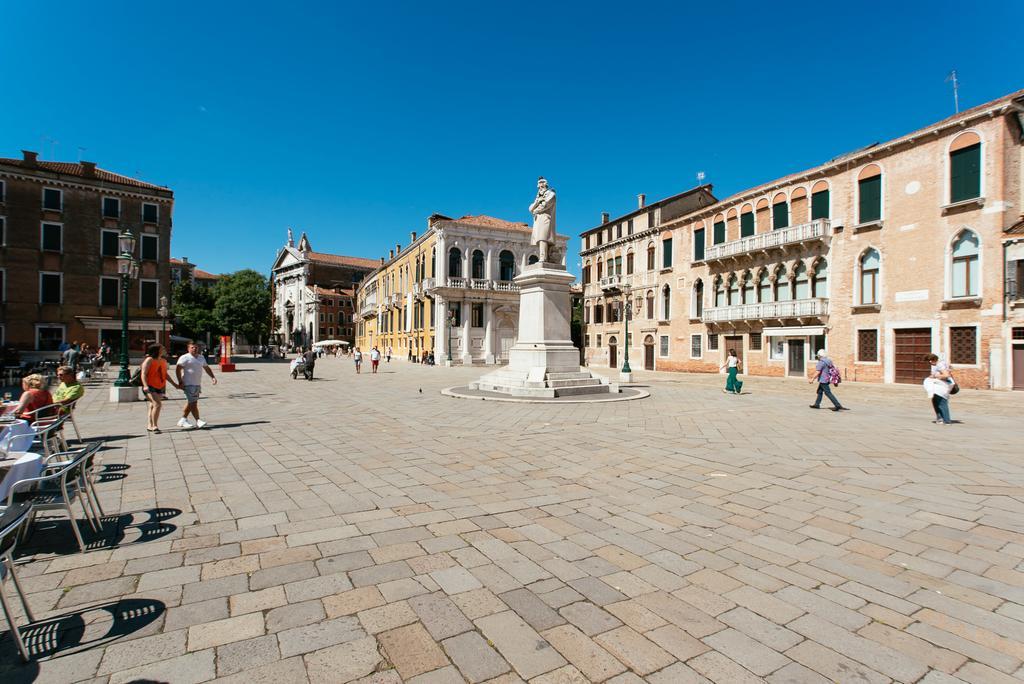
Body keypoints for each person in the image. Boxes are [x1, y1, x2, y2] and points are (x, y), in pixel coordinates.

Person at [175, 341, 218, 429]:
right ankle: (194, 420)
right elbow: (177, 369)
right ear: (188, 348)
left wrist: (213, 377)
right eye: (192, 347)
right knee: (192, 402)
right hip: (187, 383)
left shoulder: (201, 357)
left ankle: (185, 420)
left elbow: (206, 368)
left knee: (193, 402)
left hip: (197, 383)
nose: (194, 349)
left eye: (196, 347)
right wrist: (180, 381)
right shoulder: (185, 357)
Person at [141, 343, 180, 433]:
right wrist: (145, 385)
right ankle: (155, 426)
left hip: (159, 386)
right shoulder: (149, 360)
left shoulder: (163, 361)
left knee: (152, 405)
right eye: (162, 348)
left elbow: (165, 374)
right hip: (149, 386)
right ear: (157, 350)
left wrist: (175, 384)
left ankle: (149, 425)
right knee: (157, 404)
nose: (164, 350)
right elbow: (143, 373)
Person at [924, 354, 954, 425]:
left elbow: (946, 375)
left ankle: (946, 420)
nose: (929, 363)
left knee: (942, 402)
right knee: (936, 401)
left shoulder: (940, 365)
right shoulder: (941, 363)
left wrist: (935, 376)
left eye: (929, 362)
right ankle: (940, 418)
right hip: (939, 386)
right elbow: (950, 368)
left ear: (931, 360)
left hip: (941, 386)